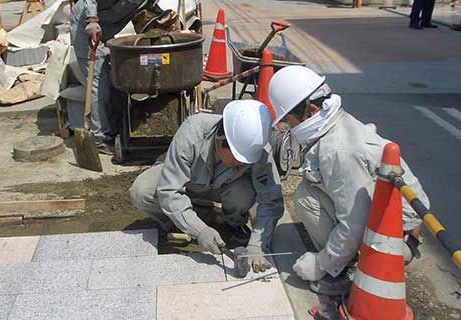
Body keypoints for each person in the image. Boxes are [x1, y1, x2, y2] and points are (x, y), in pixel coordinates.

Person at [267, 66, 430, 320]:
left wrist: (320, 263)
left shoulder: (338, 150)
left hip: (394, 241)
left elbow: (353, 223)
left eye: (289, 119)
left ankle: (344, 273)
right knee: (306, 193)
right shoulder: (336, 122)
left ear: (311, 110)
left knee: (306, 200)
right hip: (389, 221)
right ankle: (344, 260)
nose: (289, 126)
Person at [130, 100, 284, 273]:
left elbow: (271, 200)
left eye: (246, 161)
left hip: (225, 189)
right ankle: (177, 222)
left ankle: (233, 224)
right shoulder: (191, 134)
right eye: (237, 158)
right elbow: (170, 190)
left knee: (244, 192)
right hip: (187, 183)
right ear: (220, 141)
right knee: (142, 191)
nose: (242, 163)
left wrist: (258, 244)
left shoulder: (257, 146)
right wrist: (199, 230)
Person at [70, 0, 150, 153]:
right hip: (87, 26)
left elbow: (146, 11)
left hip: (106, 27)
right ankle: (100, 138)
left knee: (114, 79)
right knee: (99, 84)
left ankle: (114, 128)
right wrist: (92, 19)